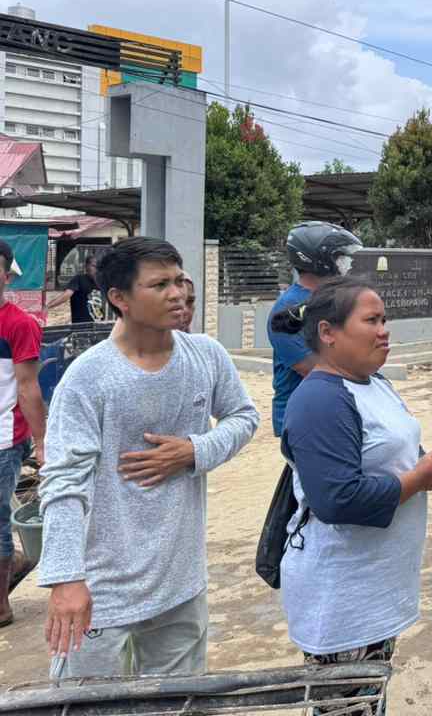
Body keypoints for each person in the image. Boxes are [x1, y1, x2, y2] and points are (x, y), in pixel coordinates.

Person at [38, 237, 260, 676]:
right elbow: (64, 481)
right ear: (118, 298)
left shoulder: (207, 355)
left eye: (179, 280)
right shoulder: (88, 379)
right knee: (85, 706)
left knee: (180, 704)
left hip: (181, 580)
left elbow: (243, 416)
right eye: (159, 285)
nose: (177, 294)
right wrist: (66, 577)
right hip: (101, 589)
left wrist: (194, 450)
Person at [274, 277, 432, 696]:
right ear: (328, 332)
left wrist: (428, 464)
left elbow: (391, 450)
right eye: (371, 320)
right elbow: (337, 500)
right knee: (346, 704)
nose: (384, 330)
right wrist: (418, 479)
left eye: (385, 319)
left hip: (375, 584)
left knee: (370, 696)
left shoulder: (374, 383)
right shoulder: (321, 399)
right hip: (342, 598)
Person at [268, 221, 363, 436]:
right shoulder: (286, 310)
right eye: (340, 256)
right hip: (303, 418)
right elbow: (311, 367)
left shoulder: (332, 298)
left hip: (334, 409)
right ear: (318, 260)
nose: (347, 264)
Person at [0, 240, 44, 627]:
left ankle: (2, 606)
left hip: (3, 439)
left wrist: (42, 441)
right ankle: (17, 562)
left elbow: (28, 388)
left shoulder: (19, 324)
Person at [68, 255, 99, 325]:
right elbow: (66, 295)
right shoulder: (79, 279)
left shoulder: (101, 282)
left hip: (98, 325)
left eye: (98, 267)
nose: (96, 269)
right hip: (81, 325)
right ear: (86, 266)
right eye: (93, 266)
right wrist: (48, 306)